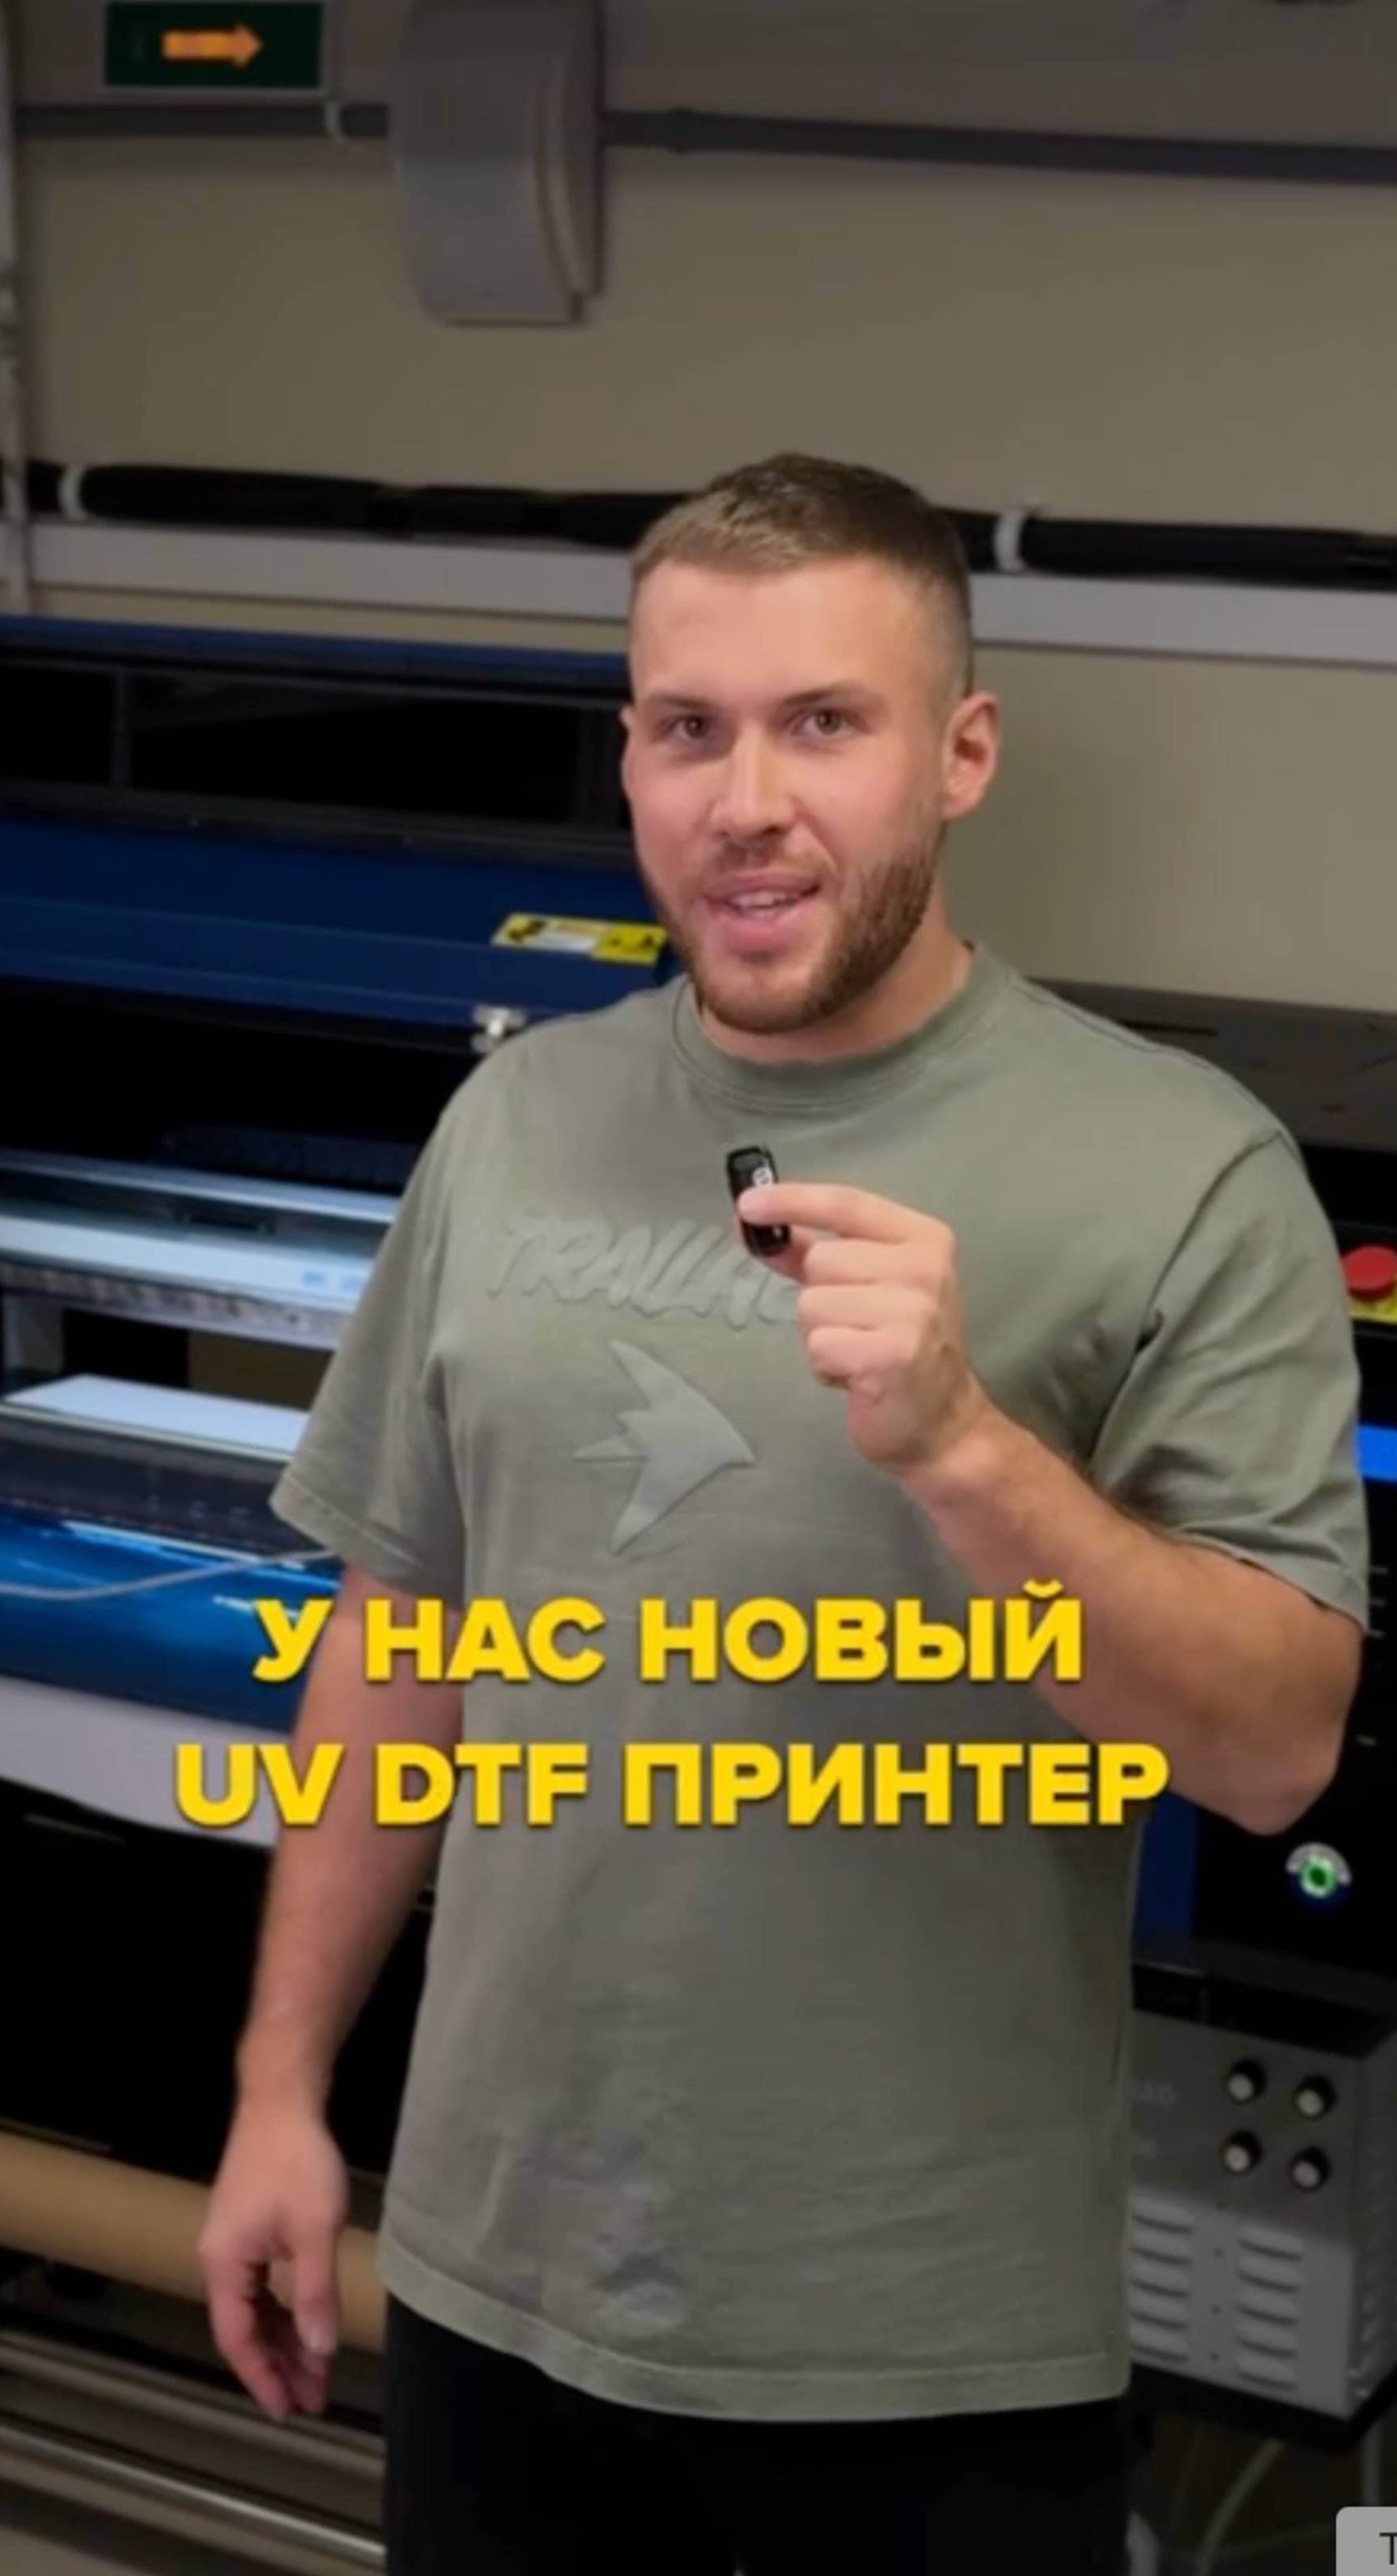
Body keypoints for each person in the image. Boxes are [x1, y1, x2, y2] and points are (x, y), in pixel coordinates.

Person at [198, 453, 1369, 2574]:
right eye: (689, 728)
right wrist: (284, 2088)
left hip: (923, 2342)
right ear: (631, 759)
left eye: (824, 722)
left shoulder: (1183, 1170)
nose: (746, 801)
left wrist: (967, 1448)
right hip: (494, 2283)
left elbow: (1278, 1747)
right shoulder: (516, 1115)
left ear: (961, 754)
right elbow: (402, 1632)